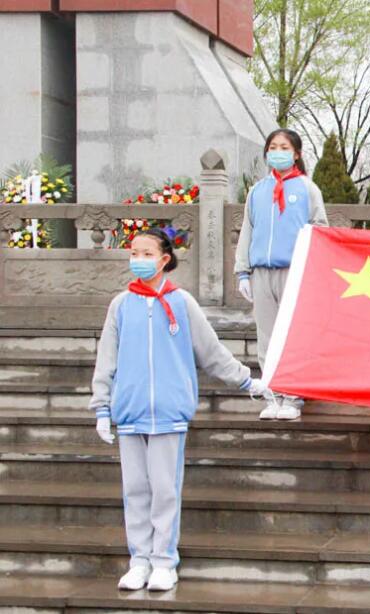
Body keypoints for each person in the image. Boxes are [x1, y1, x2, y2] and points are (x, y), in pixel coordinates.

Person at [89, 228, 267, 592]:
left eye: (146, 253)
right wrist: (102, 408)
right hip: (130, 413)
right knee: (135, 490)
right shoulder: (121, 305)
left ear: (164, 259)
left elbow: (211, 352)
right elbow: (106, 359)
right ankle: (139, 560)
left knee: (165, 490)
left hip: (169, 414)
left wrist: (247, 382)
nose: (138, 259)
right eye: (134, 252)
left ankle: (163, 561)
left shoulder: (182, 303)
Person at [234, 128, 327, 420]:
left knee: (293, 336)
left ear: (296, 154)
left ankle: (293, 397)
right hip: (262, 273)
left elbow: (320, 229)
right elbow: (247, 231)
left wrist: (311, 269)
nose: (278, 152)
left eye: (284, 147)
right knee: (267, 337)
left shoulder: (308, 189)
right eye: (273, 147)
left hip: (294, 272)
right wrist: (242, 272)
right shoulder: (257, 191)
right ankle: (272, 395)